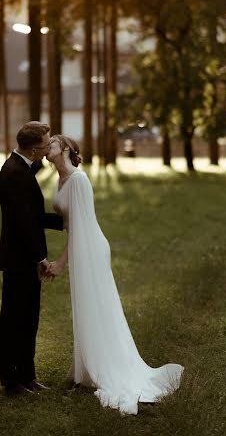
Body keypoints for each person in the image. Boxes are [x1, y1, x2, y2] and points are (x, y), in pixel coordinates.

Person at [45, 134, 184, 415]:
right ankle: (84, 368)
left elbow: (82, 230)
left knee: (96, 307)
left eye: (53, 143)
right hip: (79, 245)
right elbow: (69, 226)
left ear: (67, 149)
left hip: (90, 249)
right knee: (84, 308)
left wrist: (60, 263)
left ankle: (105, 368)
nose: (47, 146)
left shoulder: (79, 180)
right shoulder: (59, 179)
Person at [0, 121, 64, 396]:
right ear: (35, 149)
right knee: (13, 319)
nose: (50, 148)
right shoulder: (13, 173)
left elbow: (33, 216)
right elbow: (25, 222)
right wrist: (41, 258)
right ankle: (11, 381)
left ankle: (27, 375)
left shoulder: (22, 167)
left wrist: (67, 220)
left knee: (29, 319)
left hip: (26, 258)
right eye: (47, 145)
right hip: (19, 259)